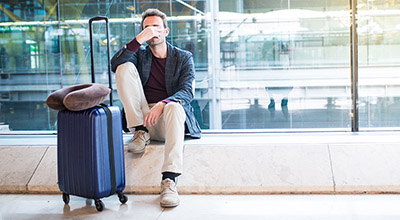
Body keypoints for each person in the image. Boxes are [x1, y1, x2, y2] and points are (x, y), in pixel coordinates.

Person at [111, 8, 201, 208]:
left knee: (176, 107)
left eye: (156, 27)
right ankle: (140, 132)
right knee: (123, 67)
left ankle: (169, 180)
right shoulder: (139, 56)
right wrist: (139, 40)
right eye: (146, 28)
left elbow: (187, 91)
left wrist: (162, 104)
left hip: (168, 121)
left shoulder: (183, 57)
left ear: (166, 31)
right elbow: (115, 63)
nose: (152, 31)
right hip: (142, 119)